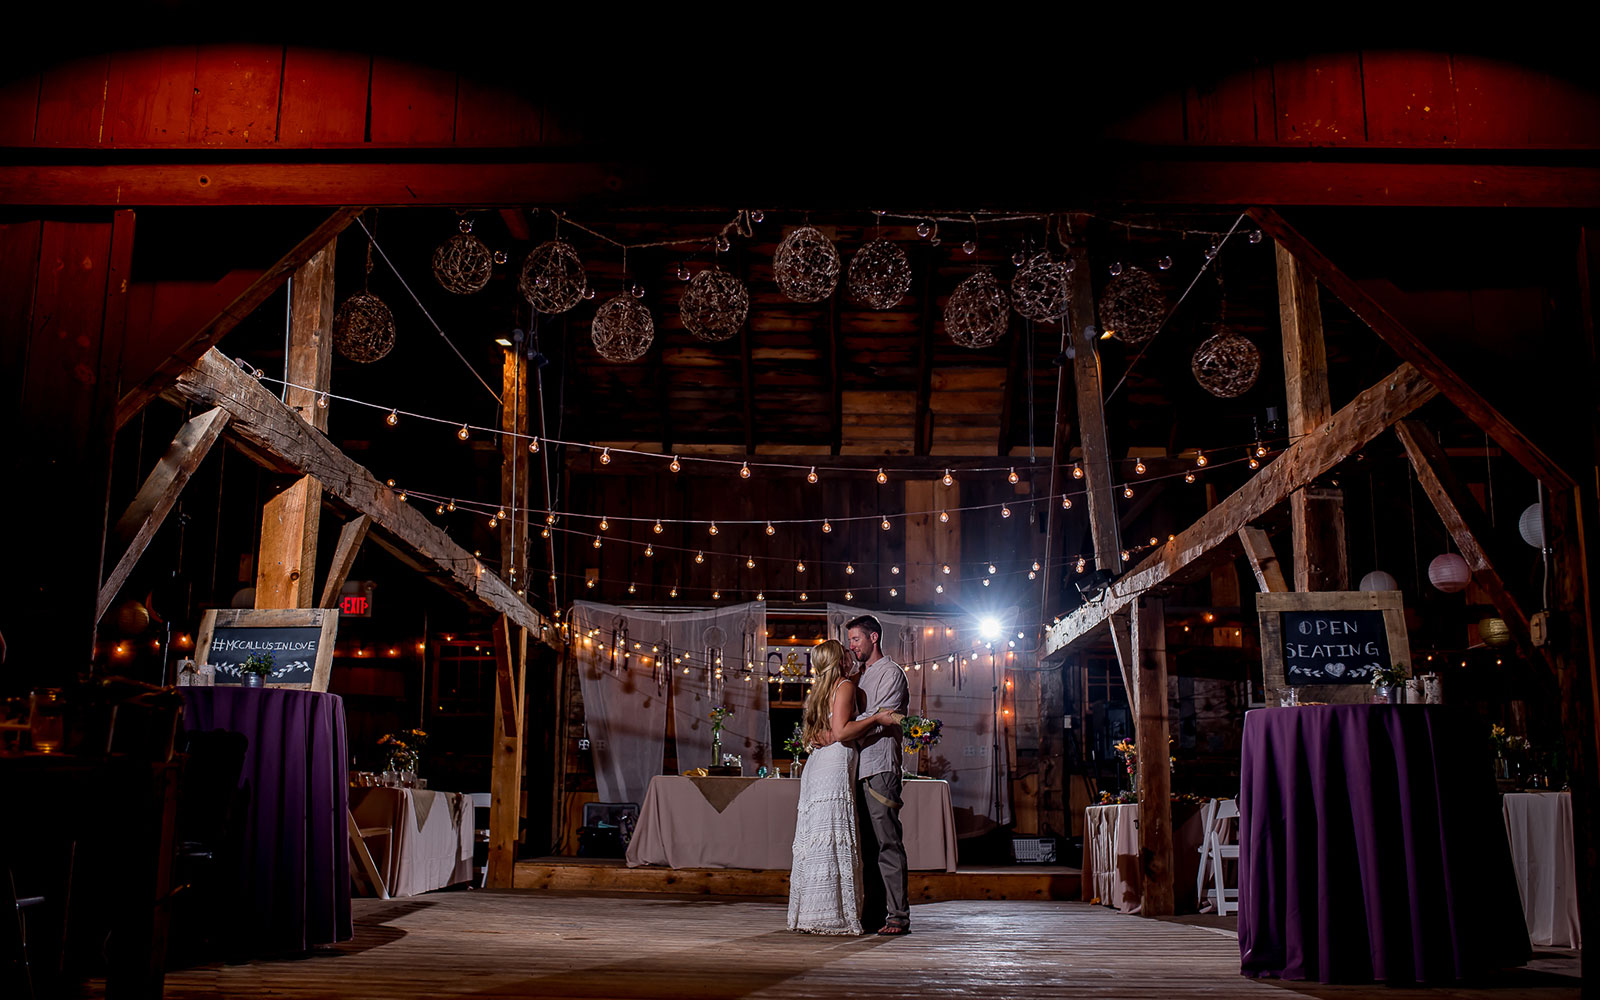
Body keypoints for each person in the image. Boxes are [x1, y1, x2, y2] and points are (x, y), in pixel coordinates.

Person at [787, 639, 897, 935]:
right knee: (834, 833)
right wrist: (877, 718)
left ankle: (813, 911)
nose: (851, 656)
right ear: (839, 660)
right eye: (846, 654)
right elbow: (841, 731)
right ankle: (833, 913)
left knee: (818, 834)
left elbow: (818, 733)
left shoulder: (818, 690)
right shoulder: (844, 686)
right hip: (835, 760)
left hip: (816, 764)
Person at [845, 613, 911, 935]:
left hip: (881, 766)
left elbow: (880, 716)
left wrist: (846, 729)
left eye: (855, 639)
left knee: (887, 843)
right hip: (857, 767)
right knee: (866, 847)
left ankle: (898, 916)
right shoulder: (857, 677)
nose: (851, 646)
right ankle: (871, 916)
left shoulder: (892, 674)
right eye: (849, 641)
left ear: (873, 637)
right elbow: (866, 718)